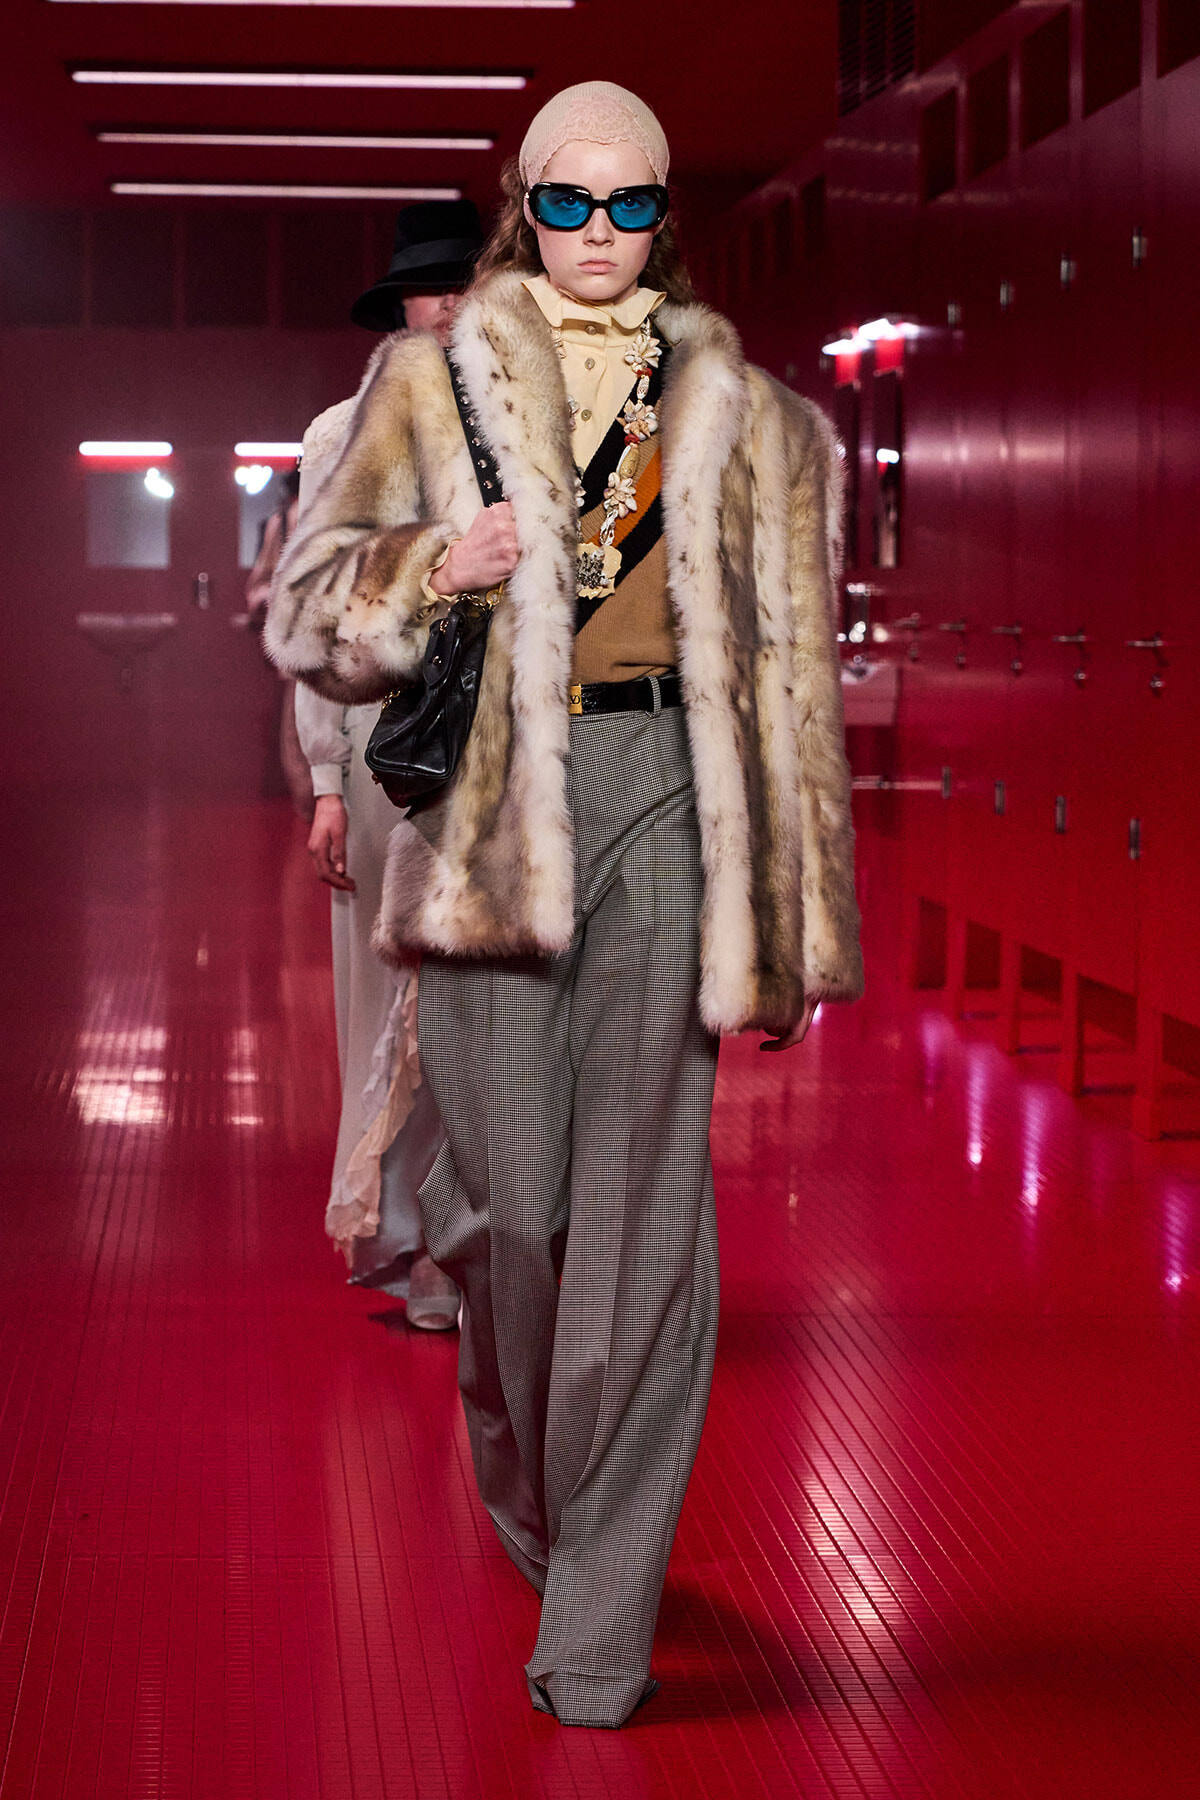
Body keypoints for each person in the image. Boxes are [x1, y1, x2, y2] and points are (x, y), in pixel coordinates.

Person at [267, 82, 862, 1727]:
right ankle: (537, 1492)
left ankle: (598, 1623)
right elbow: (313, 622)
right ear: (526, 210)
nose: (603, 234)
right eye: (571, 203)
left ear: (668, 220)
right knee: (508, 1216)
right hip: (484, 822)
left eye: (635, 206)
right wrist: (434, 572)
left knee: (644, 1220)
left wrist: (799, 919)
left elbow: (796, 685)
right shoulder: (424, 398)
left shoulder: (757, 420)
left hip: (672, 798)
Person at [294, 200, 485, 1329]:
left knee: (485, 989)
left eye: (469, 282)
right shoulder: (337, 434)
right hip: (380, 746)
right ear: (400, 310)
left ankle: (475, 1243)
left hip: (498, 746)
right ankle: (407, 1241)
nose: (452, 302)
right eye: (430, 287)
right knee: (387, 990)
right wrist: (324, 781)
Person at [245, 466, 312, 817]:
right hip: (338, 642)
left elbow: (259, 584)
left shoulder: (284, 520)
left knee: (298, 735)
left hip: (299, 642)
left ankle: (314, 814)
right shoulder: (291, 520)